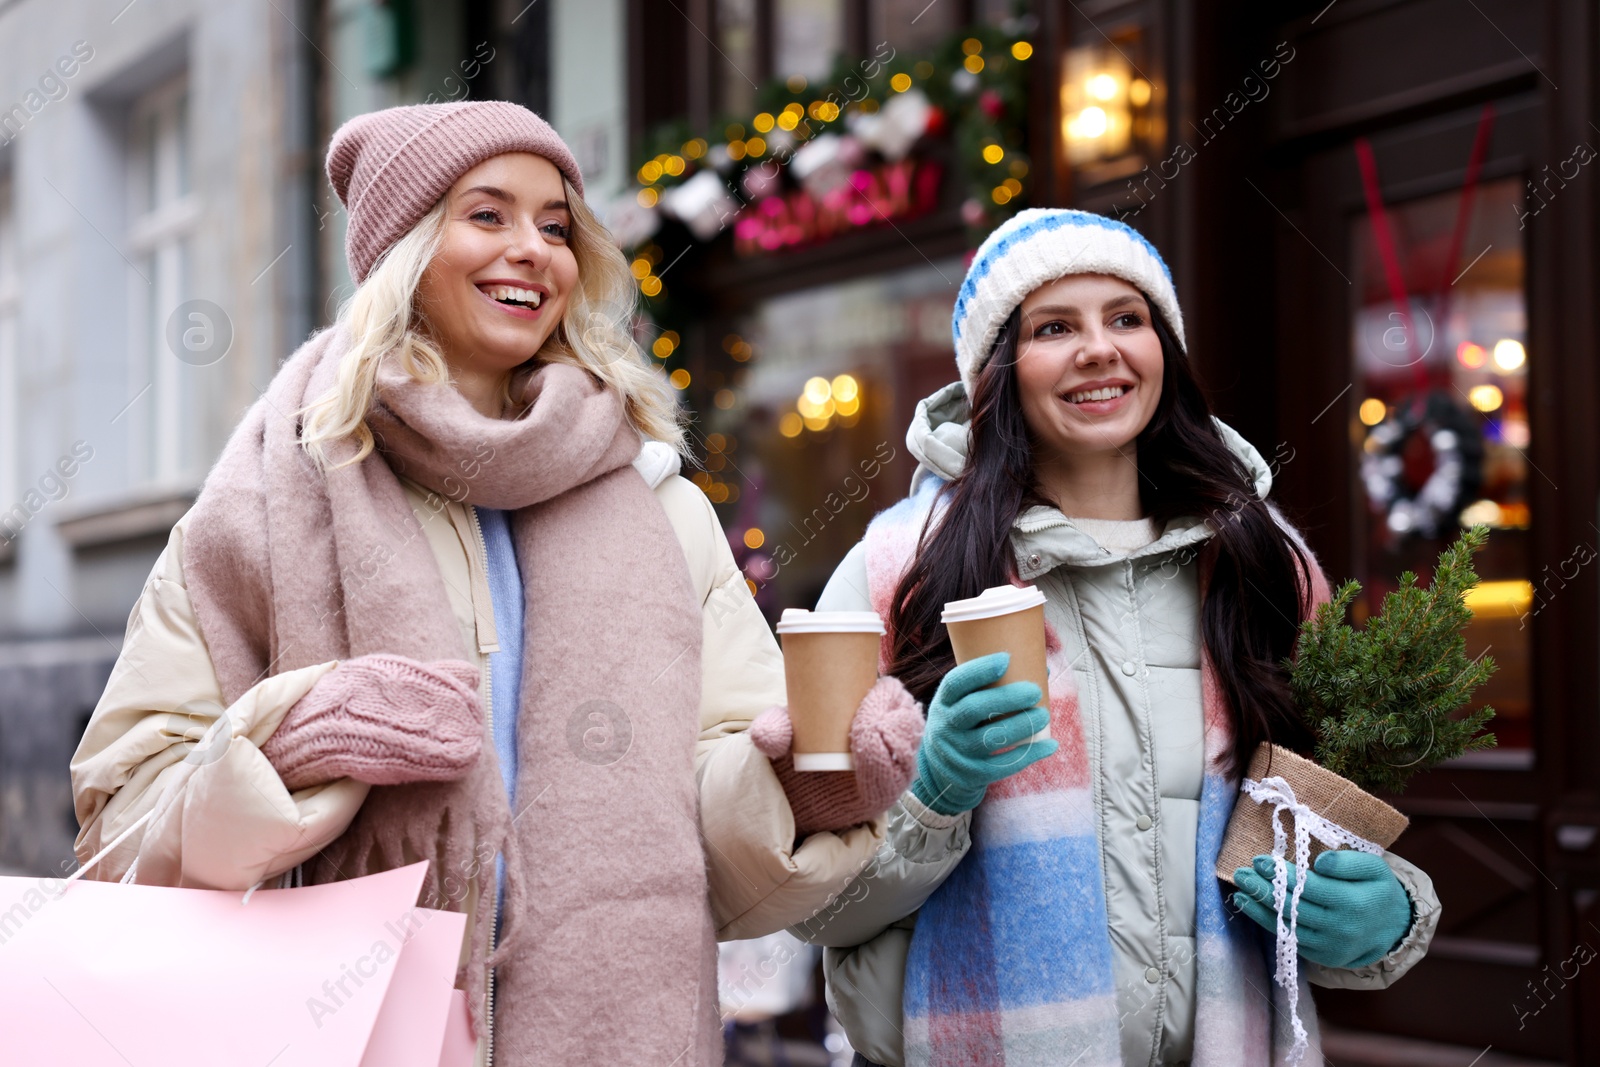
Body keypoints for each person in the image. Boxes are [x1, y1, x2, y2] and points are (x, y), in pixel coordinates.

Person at [68, 101, 924, 1067]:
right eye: (488, 215)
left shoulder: (657, 504)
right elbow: (121, 826)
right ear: (406, 248)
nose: (532, 250)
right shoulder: (263, 504)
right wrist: (285, 745)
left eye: (556, 226)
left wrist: (805, 786)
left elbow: (702, 847)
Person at [794, 209, 1441, 1067]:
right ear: (999, 371)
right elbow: (810, 902)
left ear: (1163, 353)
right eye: (1054, 327)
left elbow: (1314, 847)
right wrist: (933, 799)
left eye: (1126, 318)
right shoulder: (896, 574)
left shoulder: (1264, 568)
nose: (1099, 348)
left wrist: (1388, 915)